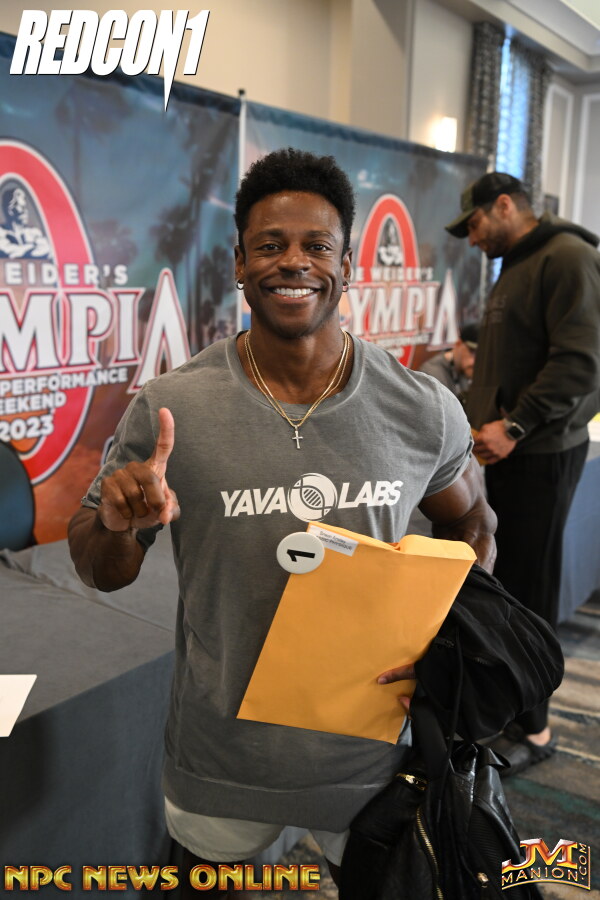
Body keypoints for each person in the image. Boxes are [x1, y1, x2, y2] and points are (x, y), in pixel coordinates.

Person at [68, 149, 496, 897]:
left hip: (375, 759)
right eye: (269, 245)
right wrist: (115, 525)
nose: (293, 261)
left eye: (316, 246)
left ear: (347, 266)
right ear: (239, 263)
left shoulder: (421, 407)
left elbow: (475, 524)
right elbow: (102, 569)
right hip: (224, 757)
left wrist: (446, 635)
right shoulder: (173, 408)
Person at [446, 171, 600, 775]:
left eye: (475, 224)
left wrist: (513, 426)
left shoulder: (567, 257)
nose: (472, 238)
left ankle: (536, 730)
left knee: (529, 592)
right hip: (509, 453)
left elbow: (580, 364)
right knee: (505, 585)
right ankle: (509, 709)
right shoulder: (518, 264)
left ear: (505, 205)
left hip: (538, 452)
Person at [419, 322, 479, 406]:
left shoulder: (464, 370)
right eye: (472, 351)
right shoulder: (432, 373)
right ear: (458, 344)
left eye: (481, 354)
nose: (475, 361)